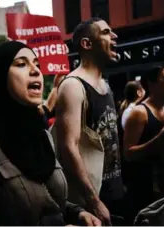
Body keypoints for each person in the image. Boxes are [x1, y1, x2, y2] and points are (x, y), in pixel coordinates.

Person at [0, 41, 101, 226]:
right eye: (21, 64)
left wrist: (78, 213)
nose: (35, 71)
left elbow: (49, 199)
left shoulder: (43, 136)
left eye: (37, 64)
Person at [55, 17, 125, 225]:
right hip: (91, 203)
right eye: (105, 32)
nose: (114, 36)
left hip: (115, 193)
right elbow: (68, 147)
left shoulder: (104, 84)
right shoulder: (73, 86)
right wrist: (93, 201)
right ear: (87, 44)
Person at [124, 66, 164, 223]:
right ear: (151, 84)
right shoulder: (139, 113)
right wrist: (159, 139)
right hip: (145, 192)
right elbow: (128, 154)